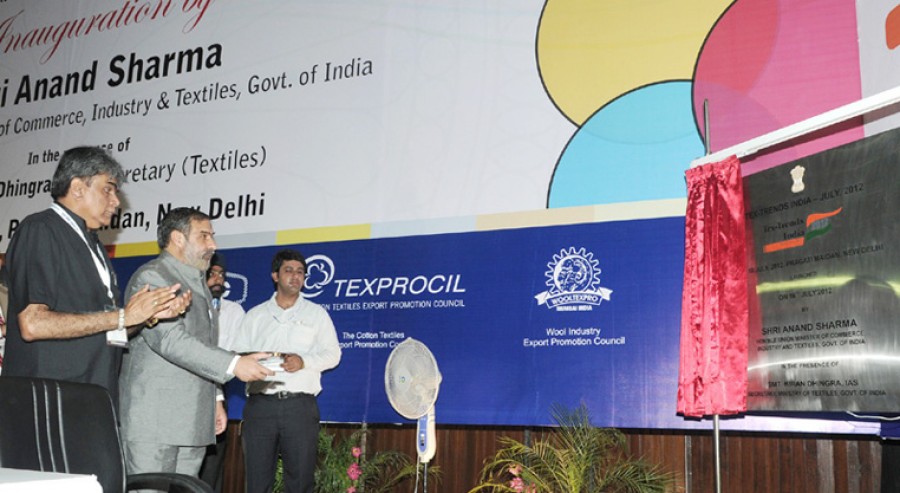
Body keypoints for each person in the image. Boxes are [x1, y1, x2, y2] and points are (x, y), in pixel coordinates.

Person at [1, 146, 187, 400]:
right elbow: (33, 324)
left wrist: (144, 317)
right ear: (78, 188)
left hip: (93, 395)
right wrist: (122, 316)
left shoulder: (94, 245)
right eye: (107, 189)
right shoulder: (40, 229)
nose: (116, 201)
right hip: (49, 398)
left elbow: (105, 329)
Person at [118, 208, 274, 479]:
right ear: (178, 238)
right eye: (204, 236)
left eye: (212, 236)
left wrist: (215, 399)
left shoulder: (199, 283)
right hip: (155, 421)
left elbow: (204, 346)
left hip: (194, 420)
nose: (213, 245)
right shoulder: (153, 277)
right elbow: (169, 339)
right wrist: (234, 364)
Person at [231, 249, 342, 493]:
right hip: (260, 406)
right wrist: (253, 362)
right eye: (288, 270)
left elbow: (333, 354)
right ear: (275, 275)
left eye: (300, 272)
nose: (295, 276)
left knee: (300, 482)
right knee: (257, 483)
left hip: (299, 407)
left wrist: (304, 362)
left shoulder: (317, 314)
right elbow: (236, 355)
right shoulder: (255, 315)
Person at [198, 252, 246, 491]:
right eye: (212, 274)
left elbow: (235, 352)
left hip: (217, 388)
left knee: (213, 461)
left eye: (221, 274)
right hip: (187, 388)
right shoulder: (188, 305)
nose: (218, 279)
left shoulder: (234, 311)